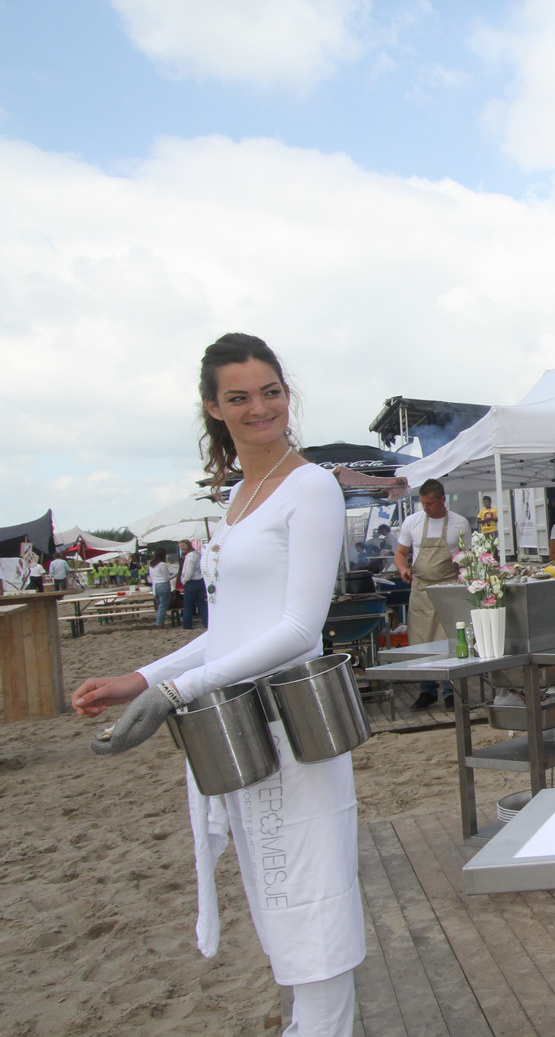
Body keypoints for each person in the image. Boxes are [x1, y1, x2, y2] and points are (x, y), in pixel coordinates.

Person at [71, 332, 363, 1036]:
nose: (260, 408)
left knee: (312, 909)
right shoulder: (238, 496)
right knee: (276, 904)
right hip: (238, 730)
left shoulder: (311, 486)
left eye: (271, 391)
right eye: (240, 397)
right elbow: (230, 627)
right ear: (214, 407)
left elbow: (298, 628)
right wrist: (141, 678)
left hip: (290, 727)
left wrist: (178, 692)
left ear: (287, 394)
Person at [394, 479, 470, 709]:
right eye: (423, 503)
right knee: (422, 640)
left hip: (448, 589)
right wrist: (403, 569)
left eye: (430, 503)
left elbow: (467, 556)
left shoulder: (460, 523)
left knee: (449, 640)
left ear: (442, 500)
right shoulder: (412, 522)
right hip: (422, 589)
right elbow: (401, 553)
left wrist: (465, 578)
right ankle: (427, 690)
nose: (425, 507)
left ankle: (450, 691)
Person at [179, 539, 207, 629]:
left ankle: (187, 625)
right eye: (180, 546)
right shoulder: (197, 554)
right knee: (201, 604)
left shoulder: (189, 556)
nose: (181, 548)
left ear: (188, 545)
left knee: (188, 605)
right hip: (200, 580)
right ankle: (206, 622)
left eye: (183, 546)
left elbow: (189, 571)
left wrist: (184, 580)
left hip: (191, 582)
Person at [148, 548, 174, 627]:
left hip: (155, 585)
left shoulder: (151, 564)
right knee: (163, 606)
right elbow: (167, 578)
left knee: (160, 606)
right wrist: (176, 574)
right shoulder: (162, 564)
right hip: (163, 585)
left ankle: (160, 623)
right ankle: (160, 623)